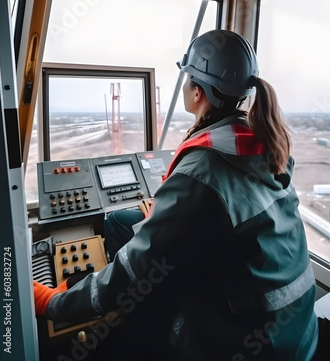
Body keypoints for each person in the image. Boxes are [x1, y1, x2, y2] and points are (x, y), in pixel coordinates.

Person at [33, 29, 319, 361]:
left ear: (197, 91)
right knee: (124, 221)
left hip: (250, 342)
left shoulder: (202, 168)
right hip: (297, 329)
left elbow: (132, 271)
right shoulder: (262, 144)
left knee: (140, 307)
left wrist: (52, 304)